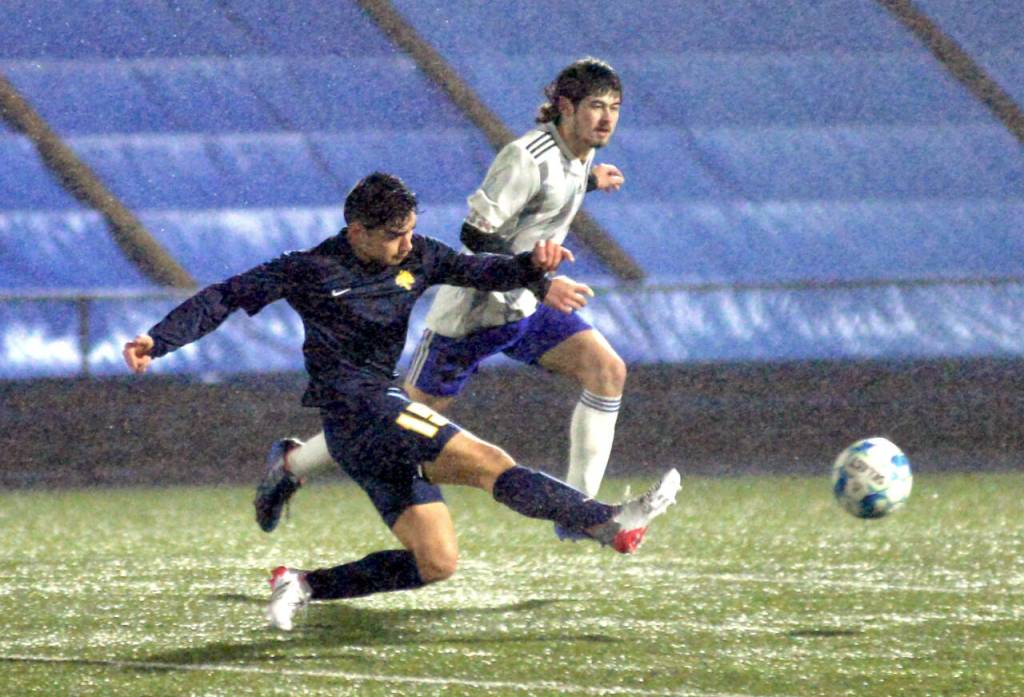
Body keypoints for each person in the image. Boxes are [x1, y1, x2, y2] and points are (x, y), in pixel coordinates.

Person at [123, 172, 681, 631]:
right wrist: (159, 339)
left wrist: (532, 268)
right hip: (359, 412)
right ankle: (603, 521)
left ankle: (303, 583)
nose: (407, 243)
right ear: (356, 230)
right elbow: (223, 296)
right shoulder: (311, 269)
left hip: (370, 426)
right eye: (394, 234)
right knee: (490, 465)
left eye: (411, 231)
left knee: (436, 563)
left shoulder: (416, 256)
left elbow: (483, 271)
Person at [256, 57, 629, 541]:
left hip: (525, 309)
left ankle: (578, 514)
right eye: (596, 106)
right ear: (564, 106)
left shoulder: (577, 157)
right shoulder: (527, 156)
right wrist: (541, 283)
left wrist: (591, 182)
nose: (606, 118)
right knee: (391, 421)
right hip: (472, 318)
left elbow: (544, 202)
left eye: (614, 107)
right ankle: (289, 464)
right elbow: (475, 232)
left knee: (607, 371)